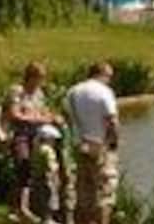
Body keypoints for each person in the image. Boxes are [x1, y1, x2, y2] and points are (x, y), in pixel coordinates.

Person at [0, 62, 59, 224]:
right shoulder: (17, 92)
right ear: (30, 77)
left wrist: (51, 117)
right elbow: (14, 114)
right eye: (39, 78)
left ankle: (18, 208)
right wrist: (38, 118)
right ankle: (21, 209)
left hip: (36, 135)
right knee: (22, 167)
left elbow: (42, 111)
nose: (41, 82)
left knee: (30, 170)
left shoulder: (39, 94)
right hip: (19, 135)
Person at [64, 62, 121, 224]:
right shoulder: (104, 91)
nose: (110, 80)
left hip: (80, 146)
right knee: (105, 193)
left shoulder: (73, 91)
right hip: (100, 147)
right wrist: (114, 144)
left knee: (83, 193)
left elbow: (68, 119)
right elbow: (112, 121)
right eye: (109, 76)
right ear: (102, 74)